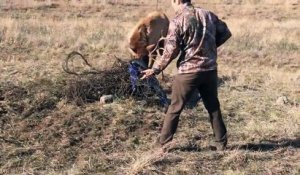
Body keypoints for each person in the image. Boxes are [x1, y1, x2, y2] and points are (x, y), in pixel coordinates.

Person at [141, 0, 232, 150]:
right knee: (213, 107)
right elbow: (225, 33)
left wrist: (155, 69)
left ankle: (162, 144)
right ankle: (221, 143)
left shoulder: (178, 20)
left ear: (176, 1)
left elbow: (171, 50)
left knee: (175, 108)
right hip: (210, 70)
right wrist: (208, 48)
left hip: (188, 72)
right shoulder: (208, 15)